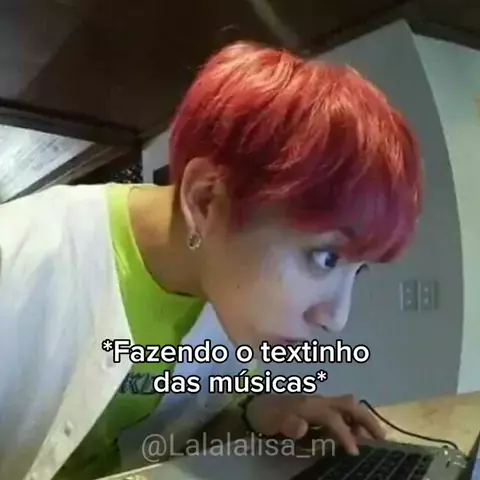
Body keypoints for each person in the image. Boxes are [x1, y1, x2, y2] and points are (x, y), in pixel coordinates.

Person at [0, 40, 422, 480]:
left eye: (359, 270)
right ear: (206, 200)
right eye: (327, 257)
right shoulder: (17, 257)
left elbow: (186, 419)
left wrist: (261, 411)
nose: (337, 318)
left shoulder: (228, 292)